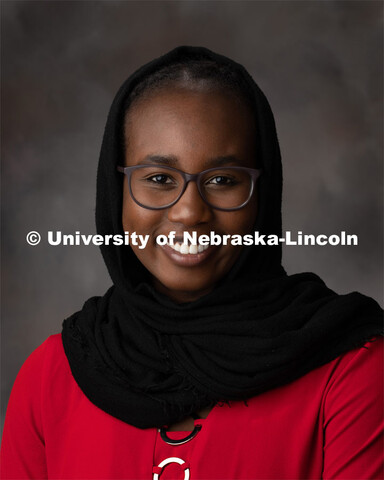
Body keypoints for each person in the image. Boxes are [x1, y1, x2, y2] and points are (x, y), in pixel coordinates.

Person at [1, 46, 383, 480]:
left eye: (223, 180)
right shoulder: (52, 379)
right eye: (159, 179)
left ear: (263, 192)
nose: (189, 212)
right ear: (116, 189)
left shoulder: (350, 370)